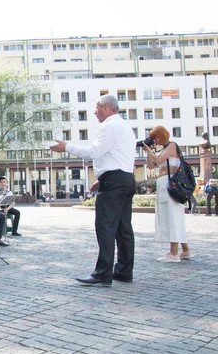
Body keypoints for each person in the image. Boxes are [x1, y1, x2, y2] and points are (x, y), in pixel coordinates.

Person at [51, 94, 136, 285]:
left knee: (105, 227)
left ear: (106, 108)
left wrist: (68, 147)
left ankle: (103, 272)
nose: (95, 112)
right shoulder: (125, 127)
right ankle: (124, 270)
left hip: (114, 182)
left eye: (97, 108)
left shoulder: (109, 127)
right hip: (126, 179)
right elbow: (117, 157)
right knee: (124, 228)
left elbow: (94, 151)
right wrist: (102, 178)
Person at [141, 126, 192, 262]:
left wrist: (150, 150)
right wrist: (148, 151)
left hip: (171, 185)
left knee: (172, 216)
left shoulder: (172, 145)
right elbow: (152, 166)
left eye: (155, 137)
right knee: (173, 216)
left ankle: (173, 254)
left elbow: (158, 160)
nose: (155, 140)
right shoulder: (163, 149)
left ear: (162, 135)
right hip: (164, 184)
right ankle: (185, 250)